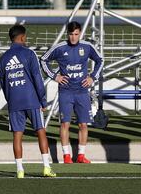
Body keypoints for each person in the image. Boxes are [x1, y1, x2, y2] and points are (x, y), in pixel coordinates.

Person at [40, 21, 103, 164]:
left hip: (82, 92)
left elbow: (100, 60)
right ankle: (66, 155)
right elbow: (43, 60)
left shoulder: (87, 47)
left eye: (76, 34)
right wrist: (55, 76)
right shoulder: (60, 48)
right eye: (71, 34)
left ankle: (81, 155)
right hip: (66, 92)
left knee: (83, 124)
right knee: (65, 124)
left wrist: (92, 77)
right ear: (67, 34)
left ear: (80, 33)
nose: (73, 37)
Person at [0, 25, 56, 178]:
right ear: (22, 37)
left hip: (14, 102)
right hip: (32, 100)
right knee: (40, 131)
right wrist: (43, 101)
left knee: (17, 134)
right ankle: (46, 167)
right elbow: (38, 78)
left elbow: (3, 84)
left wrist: (10, 99)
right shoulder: (29, 53)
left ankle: (19, 170)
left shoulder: (3, 58)